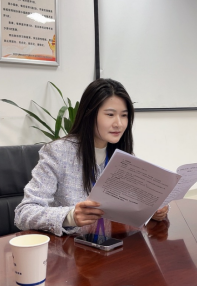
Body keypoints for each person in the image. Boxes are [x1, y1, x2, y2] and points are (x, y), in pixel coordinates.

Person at [15, 79, 169, 236]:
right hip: (71, 247)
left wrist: (153, 211)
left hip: (113, 243)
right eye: (110, 114)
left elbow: (133, 204)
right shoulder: (58, 152)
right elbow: (24, 213)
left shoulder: (123, 156)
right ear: (89, 114)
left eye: (124, 115)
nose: (119, 124)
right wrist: (70, 216)